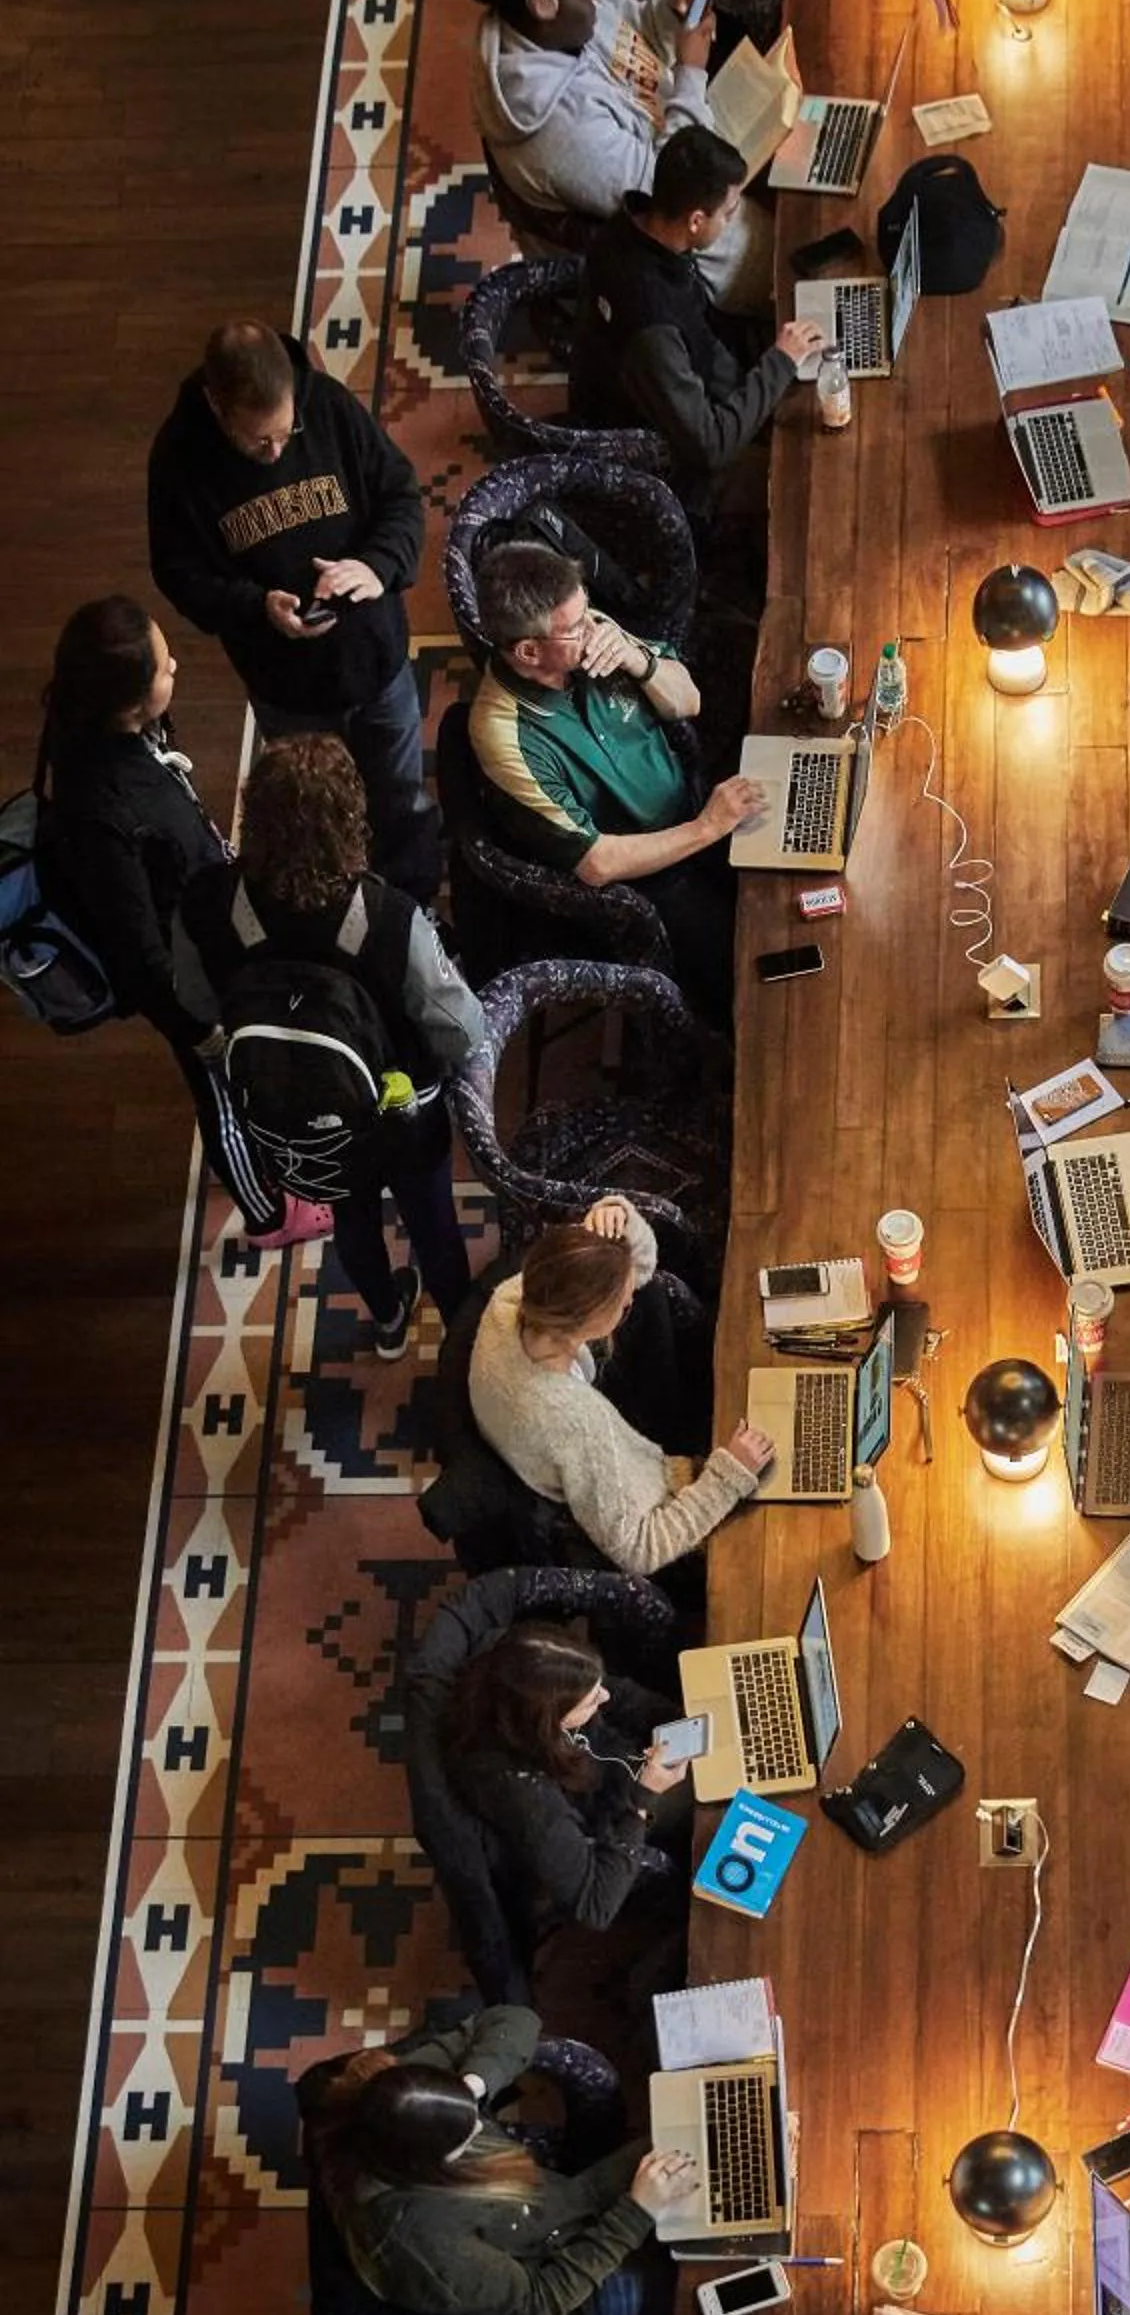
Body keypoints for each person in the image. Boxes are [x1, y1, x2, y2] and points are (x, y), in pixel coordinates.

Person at [33, 597, 328, 1250]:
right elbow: (139, 954)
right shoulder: (101, 812)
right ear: (131, 702)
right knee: (221, 1094)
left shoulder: (109, 724)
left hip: (204, 925)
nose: (177, 671)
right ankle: (269, 1216)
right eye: (166, 667)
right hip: (189, 984)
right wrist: (201, 1031)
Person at [173, 734, 480, 1358]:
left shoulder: (207, 903)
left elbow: (198, 1002)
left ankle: (389, 1318)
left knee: (352, 1214)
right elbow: (460, 1030)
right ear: (352, 819)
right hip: (402, 1111)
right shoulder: (391, 918)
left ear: (252, 816)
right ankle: (463, 1344)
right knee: (433, 1224)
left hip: (299, 1111)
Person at [146, 319, 437, 895]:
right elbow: (178, 573)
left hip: (376, 661)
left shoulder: (325, 405)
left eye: (287, 433)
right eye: (259, 442)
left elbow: (401, 495)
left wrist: (376, 565)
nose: (277, 451)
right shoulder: (178, 460)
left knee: (400, 794)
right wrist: (255, 607)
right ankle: (340, 904)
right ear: (217, 405)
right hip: (287, 687)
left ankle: (411, 906)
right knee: (312, 808)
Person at [467, 536, 761, 1027]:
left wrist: (637, 659)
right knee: (749, 976)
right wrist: (708, 829)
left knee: (803, 884)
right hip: (654, 881)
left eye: (587, 612)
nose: (591, 627)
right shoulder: (503, 734)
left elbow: (688, 701)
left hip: (696, 804)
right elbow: (597, 864)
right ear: (528, 650)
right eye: (574, 627)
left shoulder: (592, 635)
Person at [304, 2000, 693, 2315]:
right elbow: (541, 2302)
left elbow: (513, 2018)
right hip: (580, 2296)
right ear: (424, 2168)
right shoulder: (420, 2247)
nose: (481, 2128)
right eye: (463, 2141)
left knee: (704, 2134)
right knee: (709, 2290)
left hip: (569, 2203)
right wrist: (636, 2214)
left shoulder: (395, 2092)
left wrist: (471, 2086)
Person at [463, 0, 766, 308]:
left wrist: (667, 11)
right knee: (798, 243)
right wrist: (690, 72)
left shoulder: (563, 21)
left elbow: (636, 20)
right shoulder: (557, 132)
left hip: (696, 133)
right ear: (543, 3)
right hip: (689, 238)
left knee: (809, 148)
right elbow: (670, 194)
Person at [469, 1195, 774, 1574]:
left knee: (657, 1296)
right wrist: (728, 1476)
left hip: (557, 1440)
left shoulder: (515, 1297)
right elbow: (639, 1550)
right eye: (622, 1304)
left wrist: (615, 1229)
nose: (632, 1296)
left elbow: (642, 1270)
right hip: (645, 1498)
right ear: (592, 1323)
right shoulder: (576, 1425)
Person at [408, 1572, 689, 1939]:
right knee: (705, 1813)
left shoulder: (520, 1676)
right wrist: (642, 1800)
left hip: (609, 1773)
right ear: (549, 1722)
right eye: (591, 1700)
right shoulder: (524, 1795)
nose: (602, 1699)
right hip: (600, 1823)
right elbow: (595, 1905)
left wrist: (677, 1719)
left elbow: (618, 1695)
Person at [569, 126, 822, 511]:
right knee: (802, 481)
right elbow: (710, 447)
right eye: (728, 214)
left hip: (672, 395)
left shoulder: (630, 228)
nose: (731, 222)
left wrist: (761, 386)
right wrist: (779, 364)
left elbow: (700, 337)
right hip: (657, 465)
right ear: (696, 221)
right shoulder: (651, 324)